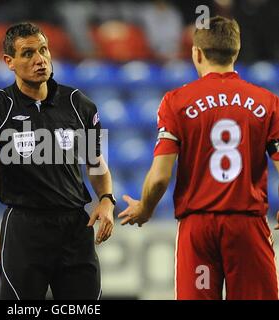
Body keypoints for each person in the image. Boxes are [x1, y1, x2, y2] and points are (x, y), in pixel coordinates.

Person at [0, 22, 115, 300]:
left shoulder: (80, 105)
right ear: (9, 62)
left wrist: (106, 199)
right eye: (28, 53)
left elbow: (95, 162)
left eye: (43, 50)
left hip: (75, 229)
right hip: (25, 230)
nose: (39, 59)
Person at [118, 16, 279, 300]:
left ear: (197, 53)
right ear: (236, 52)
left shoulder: (177, 101)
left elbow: (160, 177)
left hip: (198, 228)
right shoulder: (267, 102)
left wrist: (145, 208)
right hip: (247, 226)